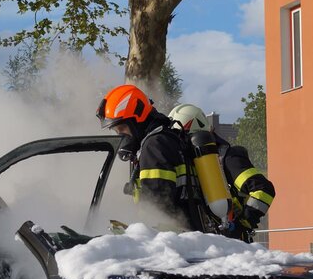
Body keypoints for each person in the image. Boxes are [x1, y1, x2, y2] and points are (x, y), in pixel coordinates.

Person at [96, 85, 204, 231]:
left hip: (174, 240)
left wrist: (136, 233)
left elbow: (157, 205)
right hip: (184, 234)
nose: (120, 136)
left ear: (137, 119)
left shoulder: (154, 145)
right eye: (116, 131)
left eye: (122, 129)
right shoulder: (164, 139)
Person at [167, 103, 275, 241]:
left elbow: (263, 190)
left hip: (233, 245)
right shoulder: (192, 163)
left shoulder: (228, 158)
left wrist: (243, 223)